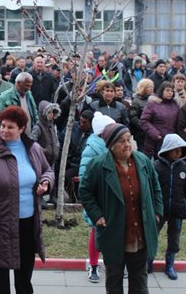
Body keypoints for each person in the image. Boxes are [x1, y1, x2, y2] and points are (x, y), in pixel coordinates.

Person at [0, 105, 54, 294]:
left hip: (28, 224)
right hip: (0, 224)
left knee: (24, 279)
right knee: (0, 280)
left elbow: (47, 170)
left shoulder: (34, 149)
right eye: (2, 125)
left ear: (22, 128)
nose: (4, 130)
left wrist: (46, 182)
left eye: (10, 127)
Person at [79, 123, 163, 294]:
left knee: (140, 283)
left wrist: (157, 212)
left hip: (140, 233)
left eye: (129, 139)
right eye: (121, 141)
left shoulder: (142, 161)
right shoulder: (98, 165)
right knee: (114, 282)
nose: (127, 144)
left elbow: (155, 186)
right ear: (111, 145)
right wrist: (96, 215)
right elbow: (85, 191)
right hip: (113, 233)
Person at [151, 134, 186, 280]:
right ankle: (148, 261)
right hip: (158, 211)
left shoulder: (185, 168)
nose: (178, 153)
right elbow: (149, 191)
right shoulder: (156, 168)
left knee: (174, 239)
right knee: (152, 236)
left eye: (181, 150)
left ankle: (169, 264)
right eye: (175, 150)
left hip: (177, 211)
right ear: (167, 149)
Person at [79, 112, 116, 283]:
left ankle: (114, 264)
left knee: (115, 232)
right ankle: (93, 265)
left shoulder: (114, 146)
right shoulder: (91, 150)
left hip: (114, 197)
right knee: (97, 231)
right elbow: (84, 178)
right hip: (98, 199)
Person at [140, 81, 180, 158]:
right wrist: (156, 134)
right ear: (162, 91)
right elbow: (144, 121)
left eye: (172, 91)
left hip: (171, 141)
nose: (170, 93)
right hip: (156, 141)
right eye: (167, 90)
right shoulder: (152, 104)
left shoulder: (175, 105)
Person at [128, 78, 154, 153]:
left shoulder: (154, 99)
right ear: (144, 88)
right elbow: (133, 117)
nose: (152, 89)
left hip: (152, 133)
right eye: (149, 87)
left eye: (152, 86)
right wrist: (144, 127)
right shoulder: (136, 100)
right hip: (141, 133)